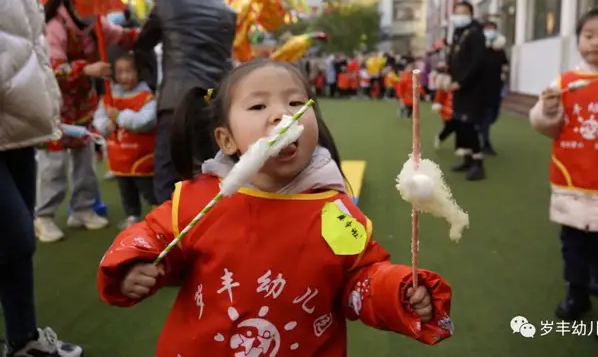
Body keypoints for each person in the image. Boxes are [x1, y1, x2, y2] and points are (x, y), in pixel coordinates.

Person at [97, 59, 454, 356]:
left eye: (296, 104)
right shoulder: (198, 199)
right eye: (258, 106)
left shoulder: (335, 210)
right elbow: (156, 238)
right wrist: (136, 265)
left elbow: (358, 281)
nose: (282, 116)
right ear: (226, 139)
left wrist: (397, 291)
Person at [529, 6, 598, 346]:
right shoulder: (564, 80)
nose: (595, 43)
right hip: (571, 179)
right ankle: (578, 295)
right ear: (578, 39)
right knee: (572, 247)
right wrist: (548, 109)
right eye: (588, 36)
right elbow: (545, 124)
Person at [0, 0, 83, 355]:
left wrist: (50, 114)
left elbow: (31, 47)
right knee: (15, 237)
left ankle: (24, 340)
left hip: (18, 123)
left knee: (17, 247)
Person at [35, 0, 137, 243]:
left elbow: (122, 37)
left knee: (84, 161)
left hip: (83, 105)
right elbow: (52, 68)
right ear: (73, 0)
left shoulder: (95, 22)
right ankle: (43, 216)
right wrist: (86, 69)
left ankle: (82, 209)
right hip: (55, 106)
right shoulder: (55, 26)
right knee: (53, 166)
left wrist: (145, 33)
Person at [134, 0, 237, 204]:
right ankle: (209, 229)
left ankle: (169, 232)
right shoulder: (227, 12)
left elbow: (142, 44)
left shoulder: (166, 2)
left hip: (174, 100)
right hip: (213, 101)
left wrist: (148, 81)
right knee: (213, 170)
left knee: (168, 171)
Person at [93, 51, 158, 229]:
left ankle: (159, 213)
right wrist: (106, 125)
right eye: (120, 72)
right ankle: (132, 215)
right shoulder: (109, 96)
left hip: (141, 155)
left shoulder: (146, 97)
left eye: (129, 71)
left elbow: (145, 121)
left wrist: (120, 116)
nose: (125, 76)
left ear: (139, 72)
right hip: (119, 156)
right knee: (126, 190)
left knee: (149, 189)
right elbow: (98, 118)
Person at [447, 1, 487, 181]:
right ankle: (467, 158)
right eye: (457, 12)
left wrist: (461, 82)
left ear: (470, 14)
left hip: (472, 87)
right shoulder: (459, 33)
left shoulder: (476, 34)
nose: (459, 16)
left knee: (469, 123)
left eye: (463, 12)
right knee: (460, 123)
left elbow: (477, 63)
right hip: (458, 86)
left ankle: (478, 163)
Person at [478, 21, 509, 156]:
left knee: (493, 115)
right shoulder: (479, 48)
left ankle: (481, 134)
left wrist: (505, 69)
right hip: (480, 88)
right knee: (485, 115)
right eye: (488, 29)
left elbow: (505, 64)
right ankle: (485, 142)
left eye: (493, 29)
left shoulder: (500, 50)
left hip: (496, 86)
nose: (491, 32)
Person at [432, 62, 455, 149]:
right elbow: (440, 95)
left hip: (457, 106)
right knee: (450, 127)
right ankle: (440, 137)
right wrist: (438, 104)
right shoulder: (443, 80)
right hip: (446, 108)